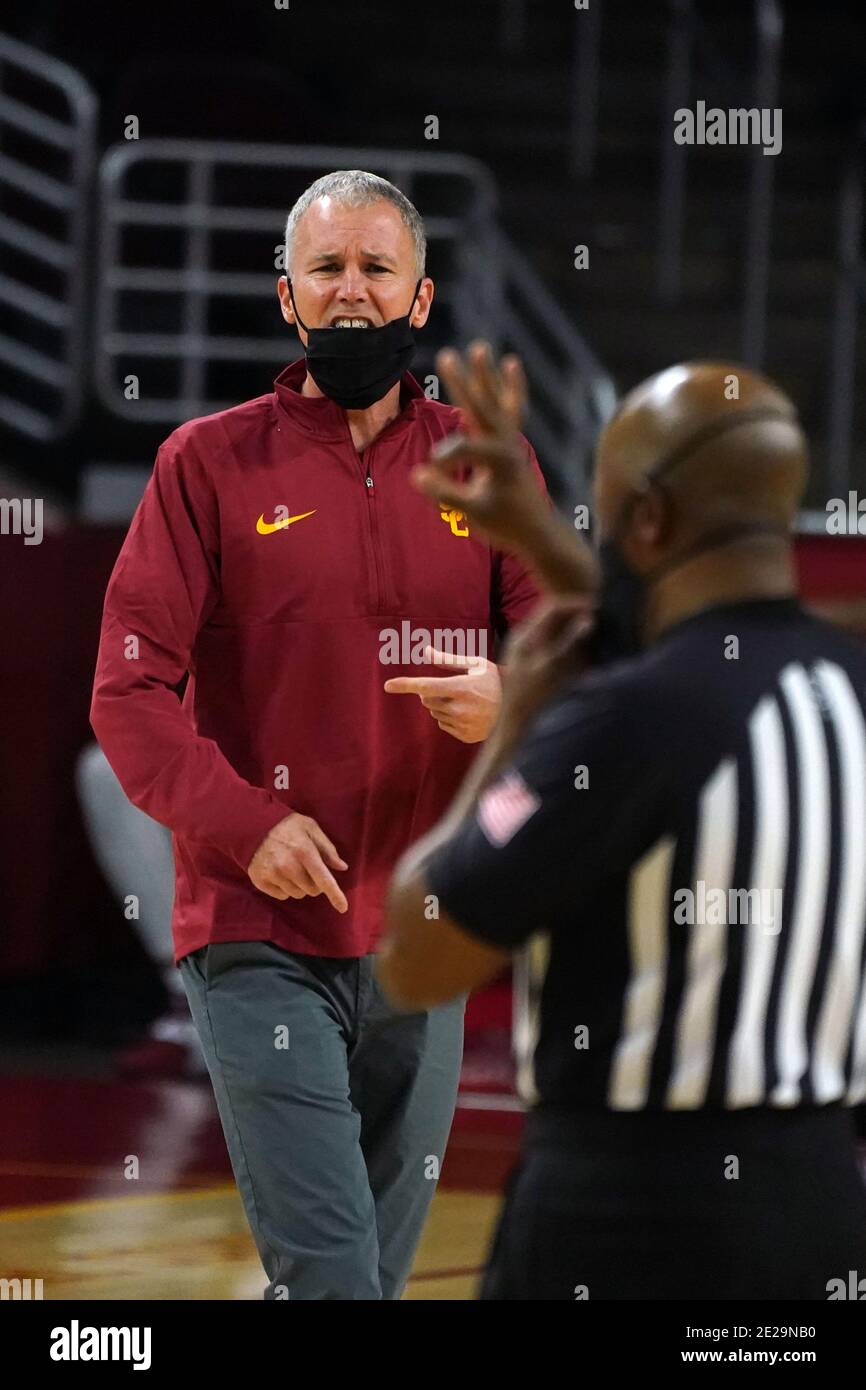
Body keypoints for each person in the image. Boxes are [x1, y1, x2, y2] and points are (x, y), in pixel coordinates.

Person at [90, 171, 546, 1300]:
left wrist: (512, 695)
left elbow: (575, 669)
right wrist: (245, 824)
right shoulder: (203, 463)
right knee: (334, 1275)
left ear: (420, 296)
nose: (350, 293)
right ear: (287, 297)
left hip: (422, 932)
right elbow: (129, 693)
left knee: (368, 1285)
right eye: (325, 270)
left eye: (374, 269)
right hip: (257, 930)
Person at [380, 345, 866, 1299]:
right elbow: (697, 643)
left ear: (646, 521)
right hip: (818, 1207)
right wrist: (542, 538)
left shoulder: (621, 719)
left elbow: (417, 955)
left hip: (622, 1217)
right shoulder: (844, 685)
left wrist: (513, 728)